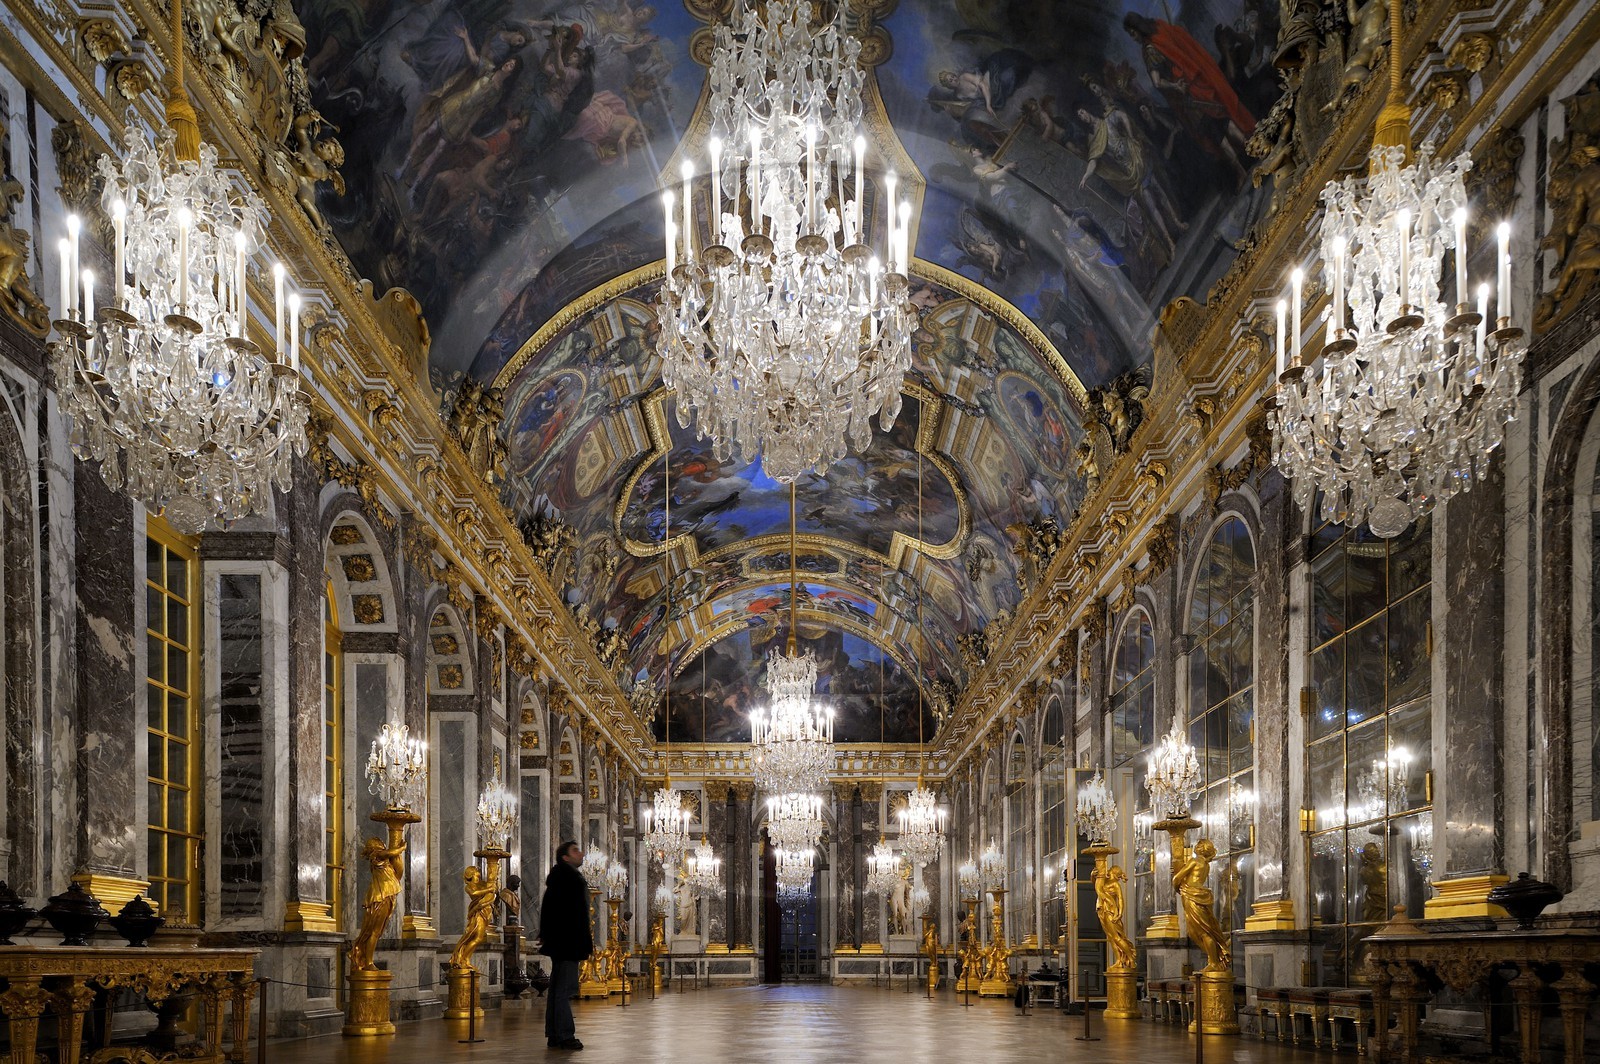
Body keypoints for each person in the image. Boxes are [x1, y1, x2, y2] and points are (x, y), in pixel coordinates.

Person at [538, 841, 592, 1051]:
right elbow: (574, 915)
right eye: (575, 851)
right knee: (564, 989)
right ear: (565, 857)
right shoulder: (569, 880)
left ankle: (554, 1034)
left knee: (556, 989)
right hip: (568, 942)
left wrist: (546, 935)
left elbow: (548, 908)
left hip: (561, 941)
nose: (581, 853)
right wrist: (579, 941)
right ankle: (565, 1035)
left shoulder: (560, 878)